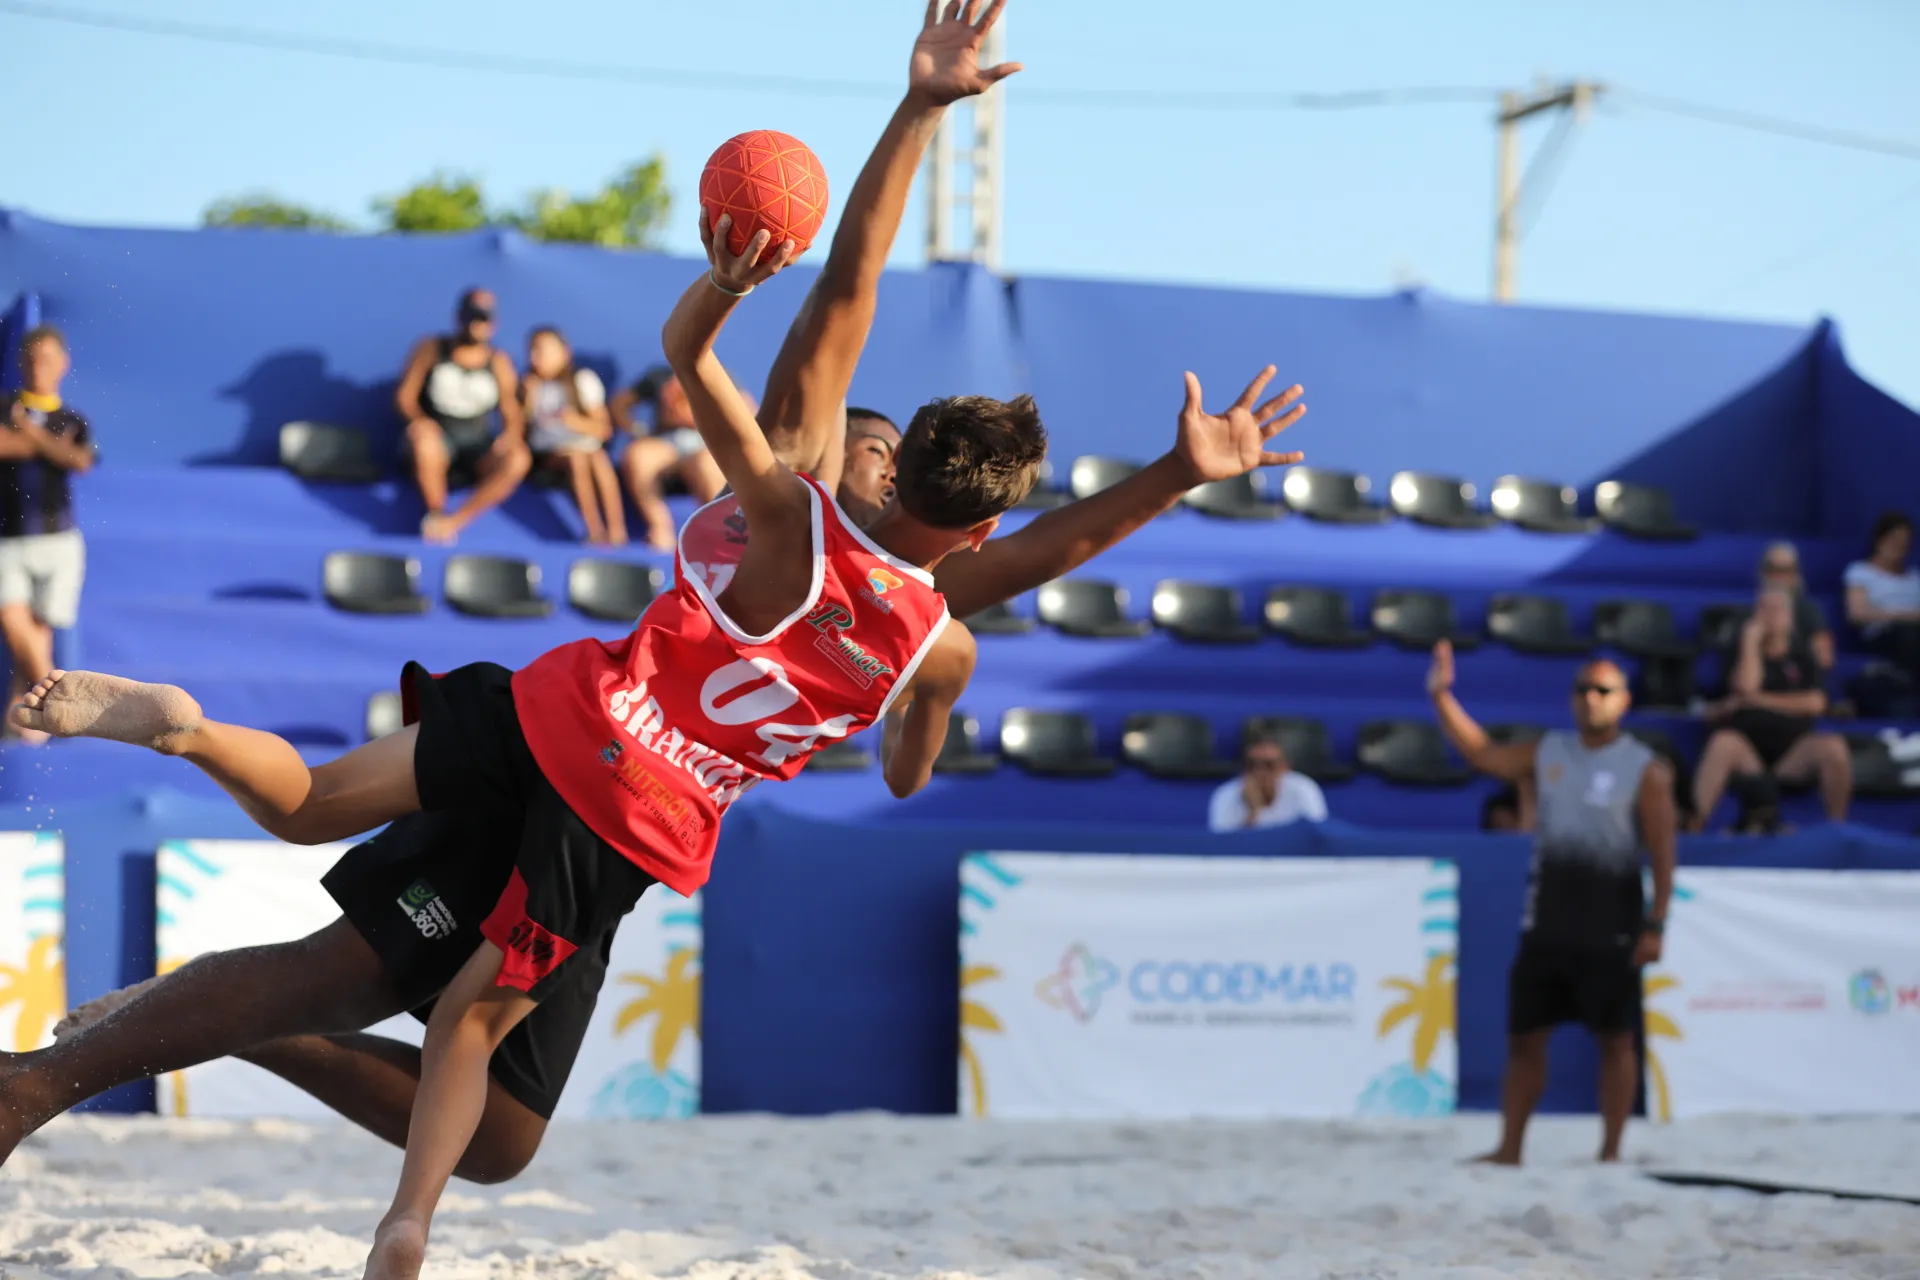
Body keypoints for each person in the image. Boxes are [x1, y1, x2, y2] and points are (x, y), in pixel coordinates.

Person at [7, 0, 1307, 1193]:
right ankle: (60, 1078)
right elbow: (852, 285)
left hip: (620, 792)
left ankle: (206, 1030)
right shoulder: (799, 486)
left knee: (497, 1136)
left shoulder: (919, 604)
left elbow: (1004, 613)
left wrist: (1160, 491)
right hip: (589, 768)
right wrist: (915, 114)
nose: (873, 438)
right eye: (865, 433)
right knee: (339, 960)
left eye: (886, 438)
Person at [1427, 640, 1675, 1166]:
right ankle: (1509, 1148)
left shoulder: (1644, 769)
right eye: (1583, 689)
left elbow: (1663, 850)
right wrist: (1442, 698)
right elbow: (1483, 754)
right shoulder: (1550, 753)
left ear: (1623, 701)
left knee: (1616, 1041)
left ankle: (1610, 1153)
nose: (1591, 698)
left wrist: (1656, 924)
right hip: (1549, 923)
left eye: (1603, 690)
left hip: (1613, 927)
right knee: (1525, 1039)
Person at [0, 325, 95, 744]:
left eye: (49, 359)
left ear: (64, 365)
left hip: (57, 537)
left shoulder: (73, 418)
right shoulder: (4, 407)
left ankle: (27, 715)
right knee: (10, 615)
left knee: (39, 626)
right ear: (21, 364)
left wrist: (32, 435)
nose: (40, 367)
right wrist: (52, 446)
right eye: (33, 359)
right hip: (8, 536)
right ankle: (57, 696)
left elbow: (79, 460)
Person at [1691, 585, 1850, 829]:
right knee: (1723, 743)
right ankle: (1695, 824)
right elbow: (1745, 686)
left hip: (1793, 753)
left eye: (1777, 609)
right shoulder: (1738, 651)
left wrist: (1757, 700)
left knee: (1833, 747)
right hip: (1747, 752)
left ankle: (1837, 826)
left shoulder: (1803, 655)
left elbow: (1815, 703)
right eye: (1764, 608)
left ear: (1789, 617)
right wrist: (1750, 642)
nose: (1770, 615)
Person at [395, 288, 529, 545]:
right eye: (471, 316)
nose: (476, 324)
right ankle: (436, 513)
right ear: (458, 318)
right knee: (424, 440)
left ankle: (454, 522)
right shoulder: (431, 349)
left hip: (477, 444)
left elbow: (511, 409)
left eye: (483, 318)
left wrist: (511, 435)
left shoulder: (499, 361)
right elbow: (405, 397)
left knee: (517, 458)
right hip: (437, 437)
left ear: (493, 324)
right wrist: (419, 420)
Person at [521, 326, 626, 546]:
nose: (536, 358)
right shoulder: (527, 385)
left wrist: (575, 422)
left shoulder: (583, 380)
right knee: (577, 458)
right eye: (533, 351)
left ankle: (617, 531)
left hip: (585, 448)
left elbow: (603, 429)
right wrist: (527, 402)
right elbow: (519, 430)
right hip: (546, 455)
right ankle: (594, 531)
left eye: (544, 351)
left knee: (598, 459)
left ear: (564, 353)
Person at [611, 369, 725, 550]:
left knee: (707, 464)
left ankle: (718, 534)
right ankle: (660, 529)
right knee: (638, 455)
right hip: (665, 443)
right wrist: (635, 429)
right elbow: (620, 402)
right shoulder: (659, 376)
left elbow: (748, 411)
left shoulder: (720, 376)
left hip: (704, 443)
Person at [1844, 511, 1920, 680]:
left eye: (1904, 543)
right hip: (1883, 634)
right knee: (1909, 635)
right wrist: (1902, 615)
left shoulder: (1915, 577)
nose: (1899, 547)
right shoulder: (1860, 572)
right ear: (1880, 540)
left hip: (1915, 629)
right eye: (1894, 541)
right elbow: (1857, 614)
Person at [1206, 734, 1327, 831]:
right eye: (1251, 765)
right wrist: (1254, 814)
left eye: (1269, 765)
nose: (1259, 772)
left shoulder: (1303, 789)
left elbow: (1316, 838)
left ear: (1285, 767)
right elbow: (1222, 850)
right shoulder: (1226, 794)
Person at [1756, 540, 1834, 669]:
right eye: (1773, 569)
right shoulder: (1750, 611)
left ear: (1797, 575)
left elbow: (1825, 659)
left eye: (1787, 570)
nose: (1779, 577)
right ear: (1763, 573)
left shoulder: (1810, 611)